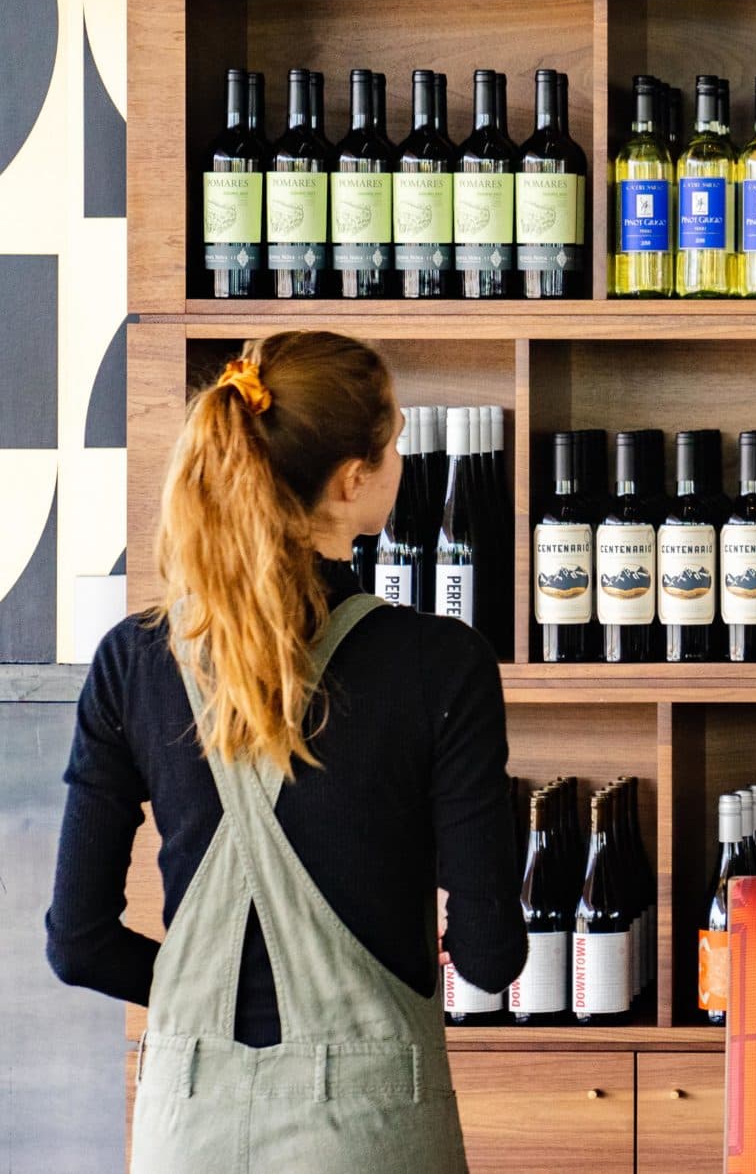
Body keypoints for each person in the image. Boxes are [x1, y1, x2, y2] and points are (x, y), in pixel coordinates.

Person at [47, 331, 520, 1172]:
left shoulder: (132, 661)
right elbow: (488, 957)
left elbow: (78, 940)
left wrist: (205, 1004)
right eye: (396, 441)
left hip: (185, 1130)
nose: (401, 459)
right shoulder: (441, 665)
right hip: (371, 1131)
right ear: (352, 480)